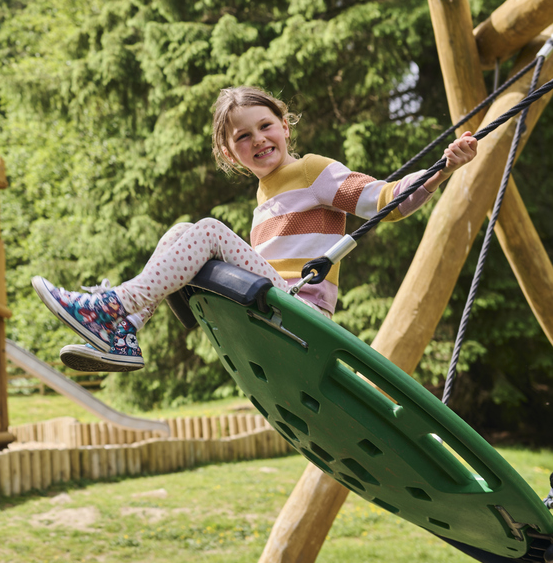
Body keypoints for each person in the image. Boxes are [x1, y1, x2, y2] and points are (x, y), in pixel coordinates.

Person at [32, 85, 479, 372]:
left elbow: (386, 201)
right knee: (179, 233)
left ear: (285, 127)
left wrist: (442, 167)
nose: (258, 139)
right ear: (230, 154)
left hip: (298, 307)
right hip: (270, 302)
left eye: (265, 126)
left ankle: (110, 306)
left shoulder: (311, 171)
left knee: (205, 230)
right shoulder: (265, 199)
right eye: (242, 137)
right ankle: (124, 330)